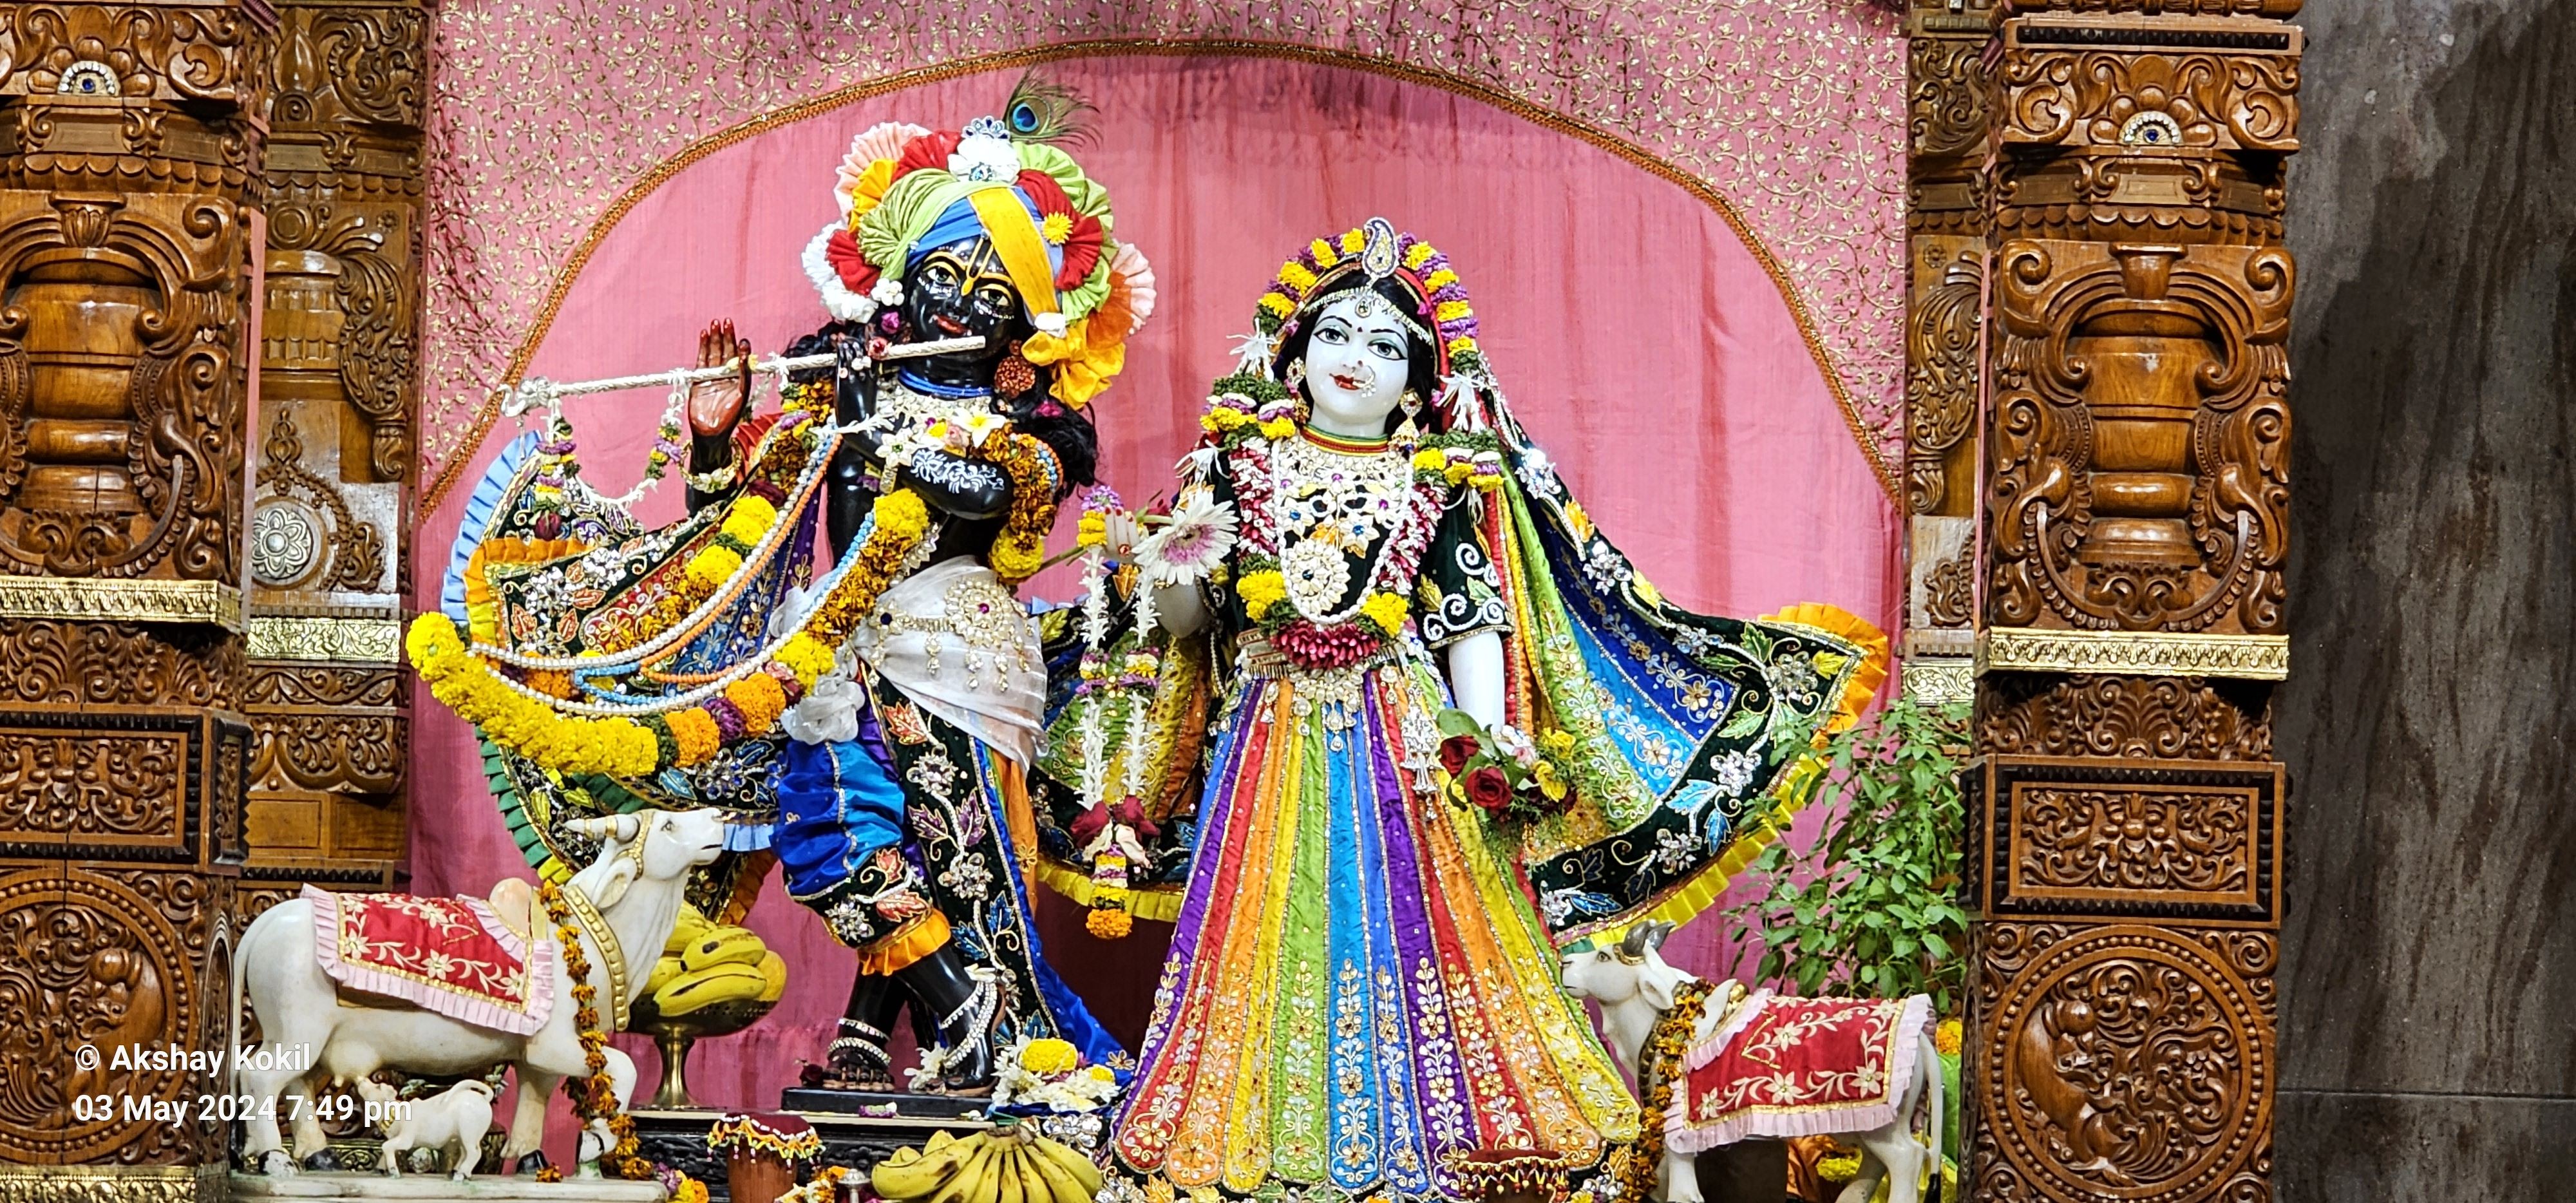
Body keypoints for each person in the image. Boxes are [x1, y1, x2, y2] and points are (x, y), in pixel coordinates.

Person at [1066, 219, 1888, 1202]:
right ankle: (1261, 1137)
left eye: (1386, 346)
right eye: (1336, 334)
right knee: (1269, 920)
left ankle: (1441, 1137)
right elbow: (1190, 619)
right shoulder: (1238, 463)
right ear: (1293, 355)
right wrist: (1169, 561)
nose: (1356, 359)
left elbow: (1470, 617)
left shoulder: (1440, 479)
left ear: (1419, 388)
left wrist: (1486, 739)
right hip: (1269, 733)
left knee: (1423, 923)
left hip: (1403, 735)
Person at [413, 81, 1150, 1097]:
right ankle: (969, 1030)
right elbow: (750, 524)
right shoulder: (835, 386)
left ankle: (979, 1044)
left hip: (953, 656)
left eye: (992, 294)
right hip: (831, 656)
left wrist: (869, 424)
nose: (959, 305)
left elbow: (976, 500)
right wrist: (717, 440)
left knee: (954, 864)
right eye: (942, 275)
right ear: (900, 279)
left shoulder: (1028, 424)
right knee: (838, 841)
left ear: (1025, 322)